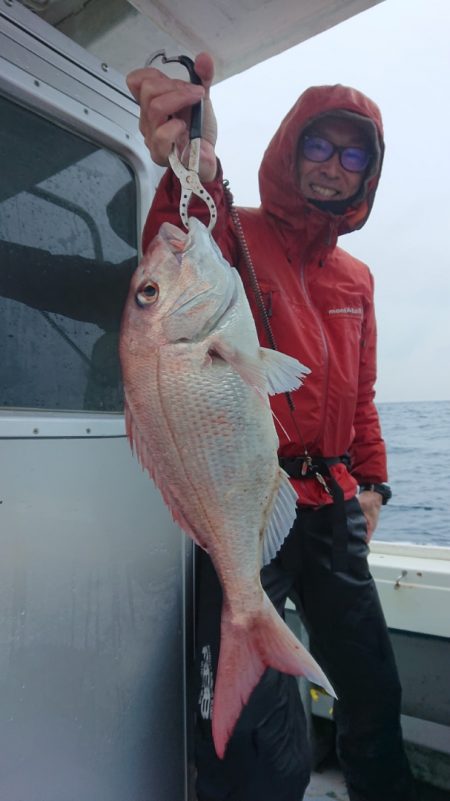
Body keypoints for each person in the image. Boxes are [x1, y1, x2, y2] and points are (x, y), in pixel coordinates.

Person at [127, 54, 416, 801]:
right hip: (250, 501)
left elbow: (362, 397)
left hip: (335, 509)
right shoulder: (237, 236)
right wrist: (189, 158)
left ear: (367, 175)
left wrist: (374, 481)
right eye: (317, 145)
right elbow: (181, 233)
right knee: (251, 740)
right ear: (289, 149)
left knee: (374, 691)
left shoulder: (357, 279)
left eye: (354, 155)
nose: (332, 167)